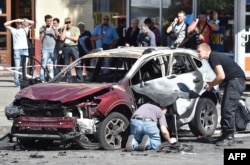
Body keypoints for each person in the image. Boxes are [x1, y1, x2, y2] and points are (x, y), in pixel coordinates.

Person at [197, 43, 246, 146]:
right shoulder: (212, 58)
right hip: (233, 81)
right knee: (225, 107)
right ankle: (224, 135)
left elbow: (221, 76)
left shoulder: (213, 56)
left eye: (199, 51)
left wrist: (210, 84)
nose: (198, 54)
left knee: (228, 108)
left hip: (235, 81)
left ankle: (229, 137)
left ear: (206, 51)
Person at [4, 18, 34, 87]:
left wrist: (23, 21)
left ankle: (24, 81)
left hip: (25, 49)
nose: (19, 24)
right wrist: (15, 20)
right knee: (17, 67)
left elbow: (32, 22)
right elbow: (5, 24)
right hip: (17, 50)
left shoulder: (25, 29)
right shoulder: (13, 30)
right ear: (16, 24)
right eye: (18, 23)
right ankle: (16, 82)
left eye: (20, 23)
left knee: (24, 67)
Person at [61, 17, 84, 83]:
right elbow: (62, 38)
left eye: (69, 22)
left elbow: (76, 38)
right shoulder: (63, 30)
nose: (68, 24)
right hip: (66, 47)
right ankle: (69, 79)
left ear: (71, 22)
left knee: (77, 63)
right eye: (66, 23)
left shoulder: (75, 29)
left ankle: (80, 79)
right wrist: (64, 29)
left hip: (74, 47)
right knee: (67, 64)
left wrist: (67, 37)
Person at [39, 14, 57, 81]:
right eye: (47, 21)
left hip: (53, 49)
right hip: (45, 49)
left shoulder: (54, 28)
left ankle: (51, 79)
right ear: (45, 21)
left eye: (50, 21)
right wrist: (44, 29)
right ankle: (42, 79)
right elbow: (41, 38)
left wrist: (55, 30)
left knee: (52, 65)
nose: (49, 22)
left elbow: (57, 37)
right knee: (43, 64)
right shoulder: (42, 28)